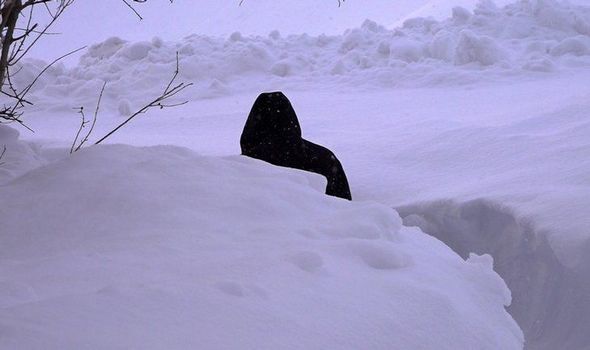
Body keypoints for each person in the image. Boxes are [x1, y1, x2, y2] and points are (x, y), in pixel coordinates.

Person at [240, 91, 352, 200]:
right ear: (290, 117)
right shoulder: (323, 158)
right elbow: (345, 206)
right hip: (320, 217)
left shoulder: (243, 166)